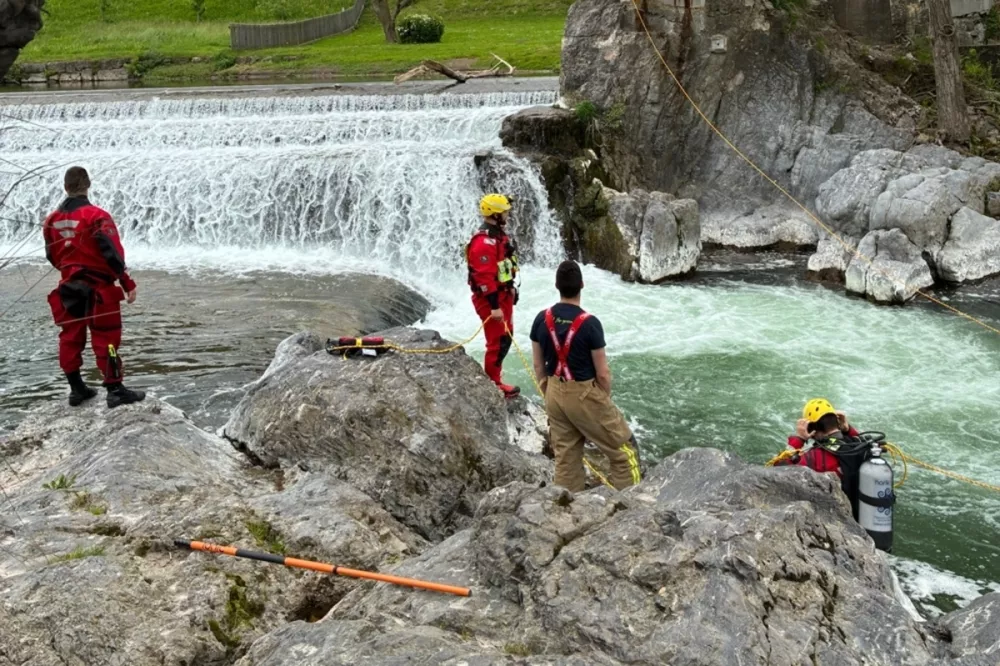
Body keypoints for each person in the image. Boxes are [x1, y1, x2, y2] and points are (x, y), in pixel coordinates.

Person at [530, 260, 642, 492]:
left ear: (556, 286)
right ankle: (631, 506)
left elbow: (538, 365)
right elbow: (603, 374)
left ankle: (567, 506)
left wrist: (548, 392)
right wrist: (603, 402)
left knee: (566, 459)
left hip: (553, 392)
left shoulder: (541, 319)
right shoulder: (590, 324)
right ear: (582, 284)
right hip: (584, 393)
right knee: (624, 452)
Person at [42, 166, 146, 409]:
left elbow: (51, 256)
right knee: (107, 338)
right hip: (100, 290)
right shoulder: (98, 216)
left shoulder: (51, 220)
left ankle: (77, 389)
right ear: (88, 185)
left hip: (68, 289)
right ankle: (115, 389)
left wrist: (70, 271)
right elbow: (113, 254)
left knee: (69, 338)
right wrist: (127, 282)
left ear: (65, 187)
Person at [775, 398, 869, 518]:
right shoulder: (857, 445)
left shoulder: (815, 457)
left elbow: (778, 469)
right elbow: (860, 440)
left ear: (811, 429)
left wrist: (799, 439)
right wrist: (848, 430)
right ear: (838, 423)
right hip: (863, 514)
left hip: (838, 517)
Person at [466, 193, 520, 398]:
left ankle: (496, 377)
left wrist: (511, 286)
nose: (508, 215)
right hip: (490, 300)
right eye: (505, 212)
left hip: (503, 295)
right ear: (495, 214)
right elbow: (484, 279)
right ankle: (494, 384)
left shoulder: (498, 236)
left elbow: (503, 267)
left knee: (506, 338)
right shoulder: (483, 242)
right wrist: (495, 307)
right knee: (497, 342)